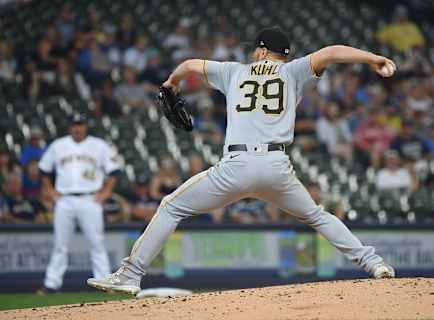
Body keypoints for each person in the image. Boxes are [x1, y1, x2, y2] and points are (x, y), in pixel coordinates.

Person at [88, 27, 396, 295]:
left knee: (171, 206)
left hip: (236, 165)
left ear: (262, 50)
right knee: (316, 216)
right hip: (277, 166)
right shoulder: (293, 71)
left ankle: (129, 275)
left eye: (256, 47)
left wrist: (172, 84)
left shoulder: (234, 71)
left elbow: (188, 64)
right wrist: (373, 58)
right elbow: (330, 51)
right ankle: (374, 263)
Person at [37, 113, 120, 294]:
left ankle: (104, 282)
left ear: (86, 126)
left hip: (90, 199)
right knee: (60, 244)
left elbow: (114, 172)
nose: (77, 127)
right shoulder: (58, 146)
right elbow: (43, 170)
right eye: (74, 124)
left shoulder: (99, 146)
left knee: (96, 243)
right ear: (69, 126)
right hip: (64, 200)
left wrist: (105, 193)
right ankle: (51, 284)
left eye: (80, 124)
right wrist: (50, 192)